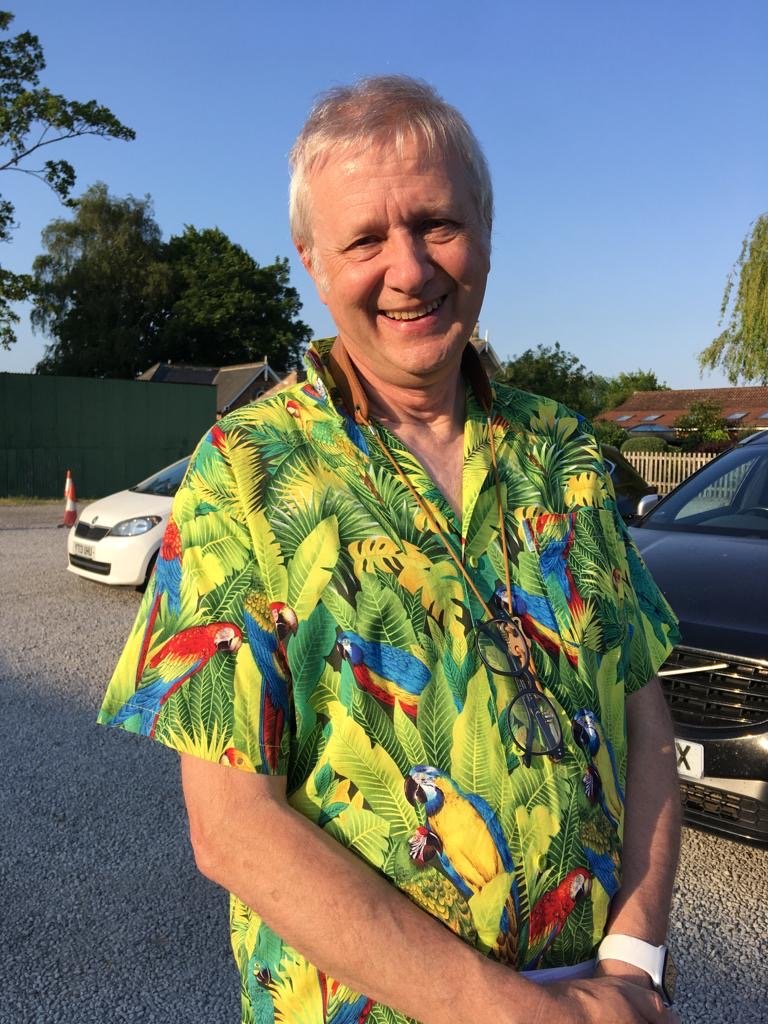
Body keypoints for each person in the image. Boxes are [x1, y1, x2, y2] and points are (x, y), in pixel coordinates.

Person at [99, 76, 682, 1024]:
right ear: (312, 263)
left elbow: (643, 712)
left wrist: (634, 959)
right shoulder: (245, 473)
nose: (408, 270)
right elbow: (233, 828)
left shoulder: (566, 452)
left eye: (437, 224)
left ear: (486, 234)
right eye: (365, 239)